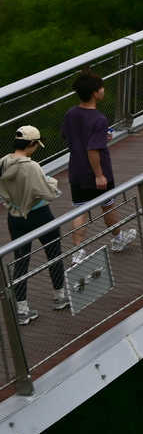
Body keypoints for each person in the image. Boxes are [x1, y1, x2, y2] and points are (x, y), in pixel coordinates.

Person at [62, 72, 136, 259]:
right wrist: (99, 175)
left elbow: (67, 136)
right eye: (101, 87)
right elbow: (92, 150)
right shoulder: (99, 119)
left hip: (76, 171)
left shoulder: (71, 113)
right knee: (108, 205)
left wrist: (101, 136)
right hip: (97, 172)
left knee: (80, 210)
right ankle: (118, 239)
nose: (104, 90)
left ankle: (77, 252)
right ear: (95, 93)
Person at [2, 125, 68, 322]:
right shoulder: (31, 167)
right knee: (53, 253)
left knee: (20, 260)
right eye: (36, 145)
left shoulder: (4, 161)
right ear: (31, 144)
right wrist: (52, 183)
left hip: (14, 216)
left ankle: (21, 309)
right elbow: (49, 193)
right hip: (39, 214)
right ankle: (60, 296)